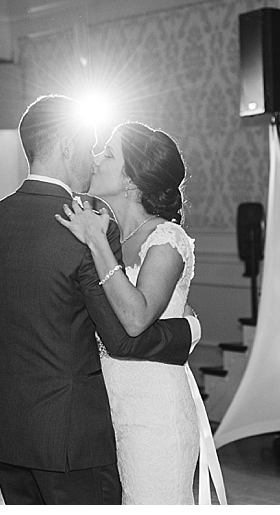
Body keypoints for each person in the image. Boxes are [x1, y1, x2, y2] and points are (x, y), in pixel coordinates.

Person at [0, 95, 201, 505]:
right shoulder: (85, 229)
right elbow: (122, 338)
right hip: (71, 432)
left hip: (10, 428)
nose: (94, 159)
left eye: (106, 153)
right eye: (93, 148)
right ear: (65, 147)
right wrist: (189, 330)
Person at [56, 121, 227, 505]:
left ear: (132, 182)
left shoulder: (167, 239)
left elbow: (136, 319)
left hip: (154, 415)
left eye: (109, 154)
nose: (97, 157)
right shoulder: (114, 235)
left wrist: (96, 242)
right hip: (107, 408)